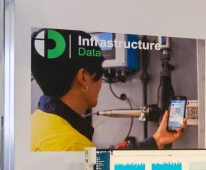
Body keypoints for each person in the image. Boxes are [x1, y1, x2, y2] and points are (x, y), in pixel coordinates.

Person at [30, 29, 182, 152]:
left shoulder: (36, 122)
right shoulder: (73, 145)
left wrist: (156, 140)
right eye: (100, 74)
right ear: (83, 78)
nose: (101, 84)